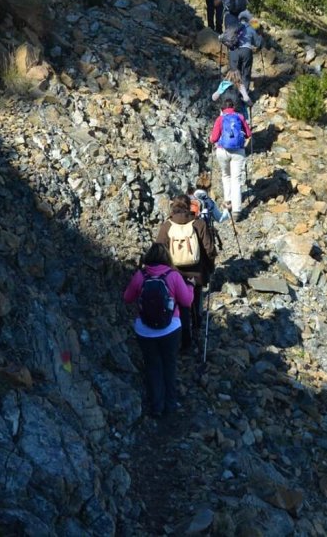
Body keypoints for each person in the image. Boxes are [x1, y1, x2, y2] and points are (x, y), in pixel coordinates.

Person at [122, 243, 194, 418]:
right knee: (169, 365)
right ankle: (170, 406)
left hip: (145, 331)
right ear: (166, 258)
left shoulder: (140, 275)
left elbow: (127, 298)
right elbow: (186, 302)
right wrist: (190, 286)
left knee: (153, 366)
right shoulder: (174, 275)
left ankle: (156, 407)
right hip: (170, 329)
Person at [155, 194, 218, 351]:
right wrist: (209, 268)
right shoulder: (199, 223)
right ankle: (197, 329)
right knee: (196, 301)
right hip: (196, 273)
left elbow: (158, 251)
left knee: (180, 305)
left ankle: (184, 339)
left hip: (174, 274)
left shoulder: (166, 226)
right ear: (189, 206)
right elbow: (209, 250)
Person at [209, 96, 251, 220]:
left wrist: (210, 140)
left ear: (222, 108)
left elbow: (214, 138)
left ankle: (228, 202)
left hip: (223, 150)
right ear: (233, 107)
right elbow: (248, 134)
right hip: (238, 151)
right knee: (236, 180)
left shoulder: (220, 119)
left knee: (226, 175)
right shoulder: (240, 117)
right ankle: (237, 211)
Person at [226, 11, 261, 104]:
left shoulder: (233, 26)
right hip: (246, 51)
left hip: (233, 52)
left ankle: (232, 97)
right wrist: (260, 38)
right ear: (248, 20)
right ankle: (244, 97)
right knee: (245, 73)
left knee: (234, 74)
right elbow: (258, 43)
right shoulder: (250, 28)